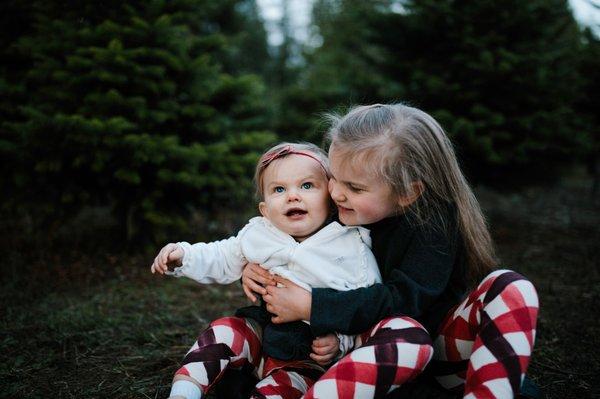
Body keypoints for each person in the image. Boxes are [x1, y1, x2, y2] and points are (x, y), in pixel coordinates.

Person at [242, 103, 540, 398]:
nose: (336, 192)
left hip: (434, 355)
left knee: (511, 287)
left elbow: (403, 302)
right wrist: (254, 266)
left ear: (408, 192)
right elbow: (287, 238)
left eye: (355, 187)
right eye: (333, 177)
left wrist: (314, 306)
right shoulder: (339, 209)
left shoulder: (433, 225)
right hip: (358, 358)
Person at [150, 142, 389, 399]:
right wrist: (183, 255)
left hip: (306, 357)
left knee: (279, 389)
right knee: (224, 330)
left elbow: (363, 301)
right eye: (279, 189)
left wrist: (341, 341)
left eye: (307, 186)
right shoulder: (260, 233)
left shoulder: (349, 244)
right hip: (260, 337)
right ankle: (185, 391)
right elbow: (220, 255)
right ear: (265, 210)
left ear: (330, 199)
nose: (292, 196)